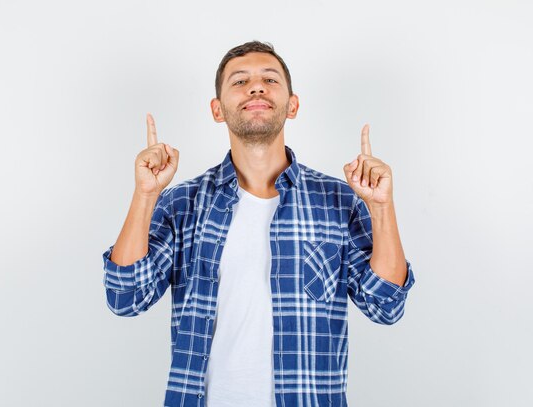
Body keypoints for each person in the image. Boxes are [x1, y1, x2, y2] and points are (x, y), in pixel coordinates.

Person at [102, 40, 415, 407]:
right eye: (239, 81)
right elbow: (125, 298)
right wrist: (145, 195)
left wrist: (381, 207)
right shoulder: (182, 203)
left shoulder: (339, 201)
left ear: (292, 105)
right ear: (217, 110)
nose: (256, 87)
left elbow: (386, 307)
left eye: (270, 79)